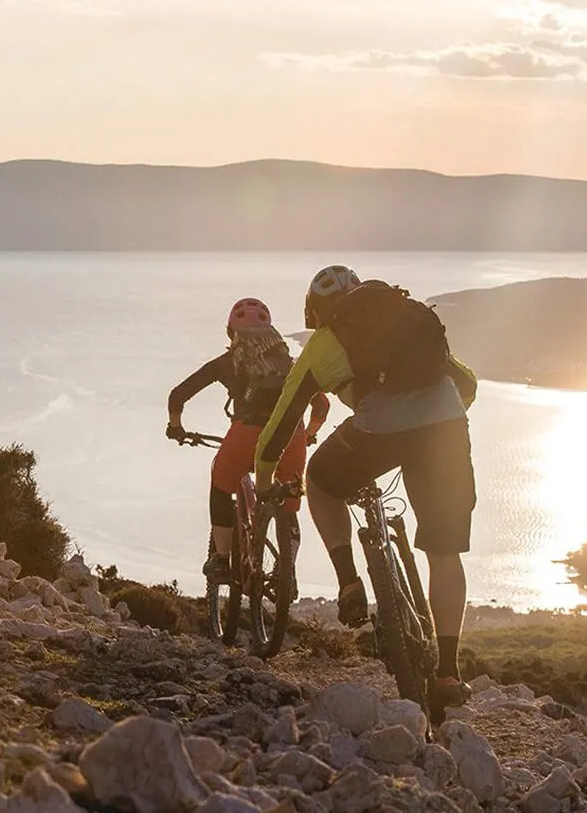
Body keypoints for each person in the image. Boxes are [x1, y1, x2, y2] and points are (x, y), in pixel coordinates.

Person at [254, 266, 477, 722]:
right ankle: (449, 673)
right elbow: (466, 383)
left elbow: (281, 423)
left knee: (320, 478)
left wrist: (263, 481)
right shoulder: (405, 314)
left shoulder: (322, 342)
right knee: (445, 551)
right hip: (446, 429)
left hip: (378, 433)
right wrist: (442, 419)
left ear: (315, 311)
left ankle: (349, 580)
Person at [167, 296, 329, 592]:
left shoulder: (227, 362)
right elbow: (321, 406)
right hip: (290, 436)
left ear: (231, 332)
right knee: (290, 503)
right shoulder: (290, 363)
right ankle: (286, 572)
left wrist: (176, 427)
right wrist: (307, 435)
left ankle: (222, 559)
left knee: (221, 484)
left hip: (246, 433)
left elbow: (178, 395)